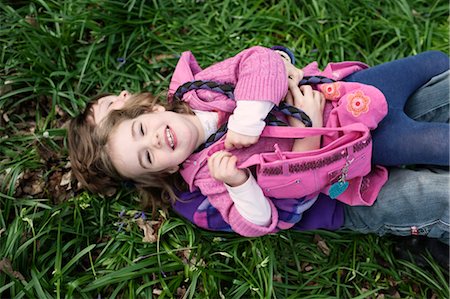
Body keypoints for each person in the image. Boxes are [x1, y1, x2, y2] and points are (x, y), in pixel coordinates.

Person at [68, 46, 449, 243]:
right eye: (147, 157)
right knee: (436, 195)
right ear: (162, 171)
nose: (153, 140)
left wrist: (257, 106)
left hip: (347, 105)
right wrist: (243, 183)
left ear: (145, 107)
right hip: (336, 192)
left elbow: (261, 62)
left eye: (135, 127)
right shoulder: (203, 188)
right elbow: (269, 216)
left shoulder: (197, 91)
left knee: (437, 84)